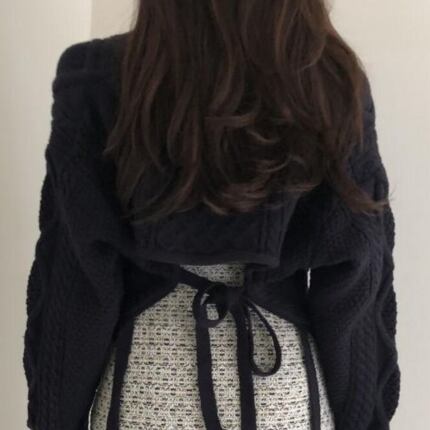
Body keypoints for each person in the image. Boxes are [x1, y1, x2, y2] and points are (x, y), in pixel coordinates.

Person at [23, 1, 400, 430]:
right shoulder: (331, 78)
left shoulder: (94, 75)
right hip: (285, 395)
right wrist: (364, 418)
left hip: (145, 387)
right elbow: (355, 282)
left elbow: (76, 283)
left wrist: (54, 418)